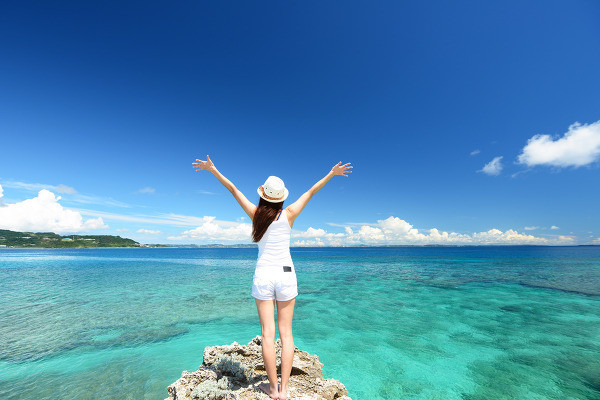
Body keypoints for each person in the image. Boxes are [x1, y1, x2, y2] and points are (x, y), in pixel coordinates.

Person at [192, 155, 352, 400]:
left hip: (263, 276)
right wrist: (332, 174)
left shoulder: (256, 214)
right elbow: (311, 191)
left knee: (268, 334)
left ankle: (273, 389)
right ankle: (284, 390)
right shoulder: (289, 214)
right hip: (286, 275)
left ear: (263, 195)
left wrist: (213, 169)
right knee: (286, 334)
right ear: (282, 197)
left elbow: (233, 189)